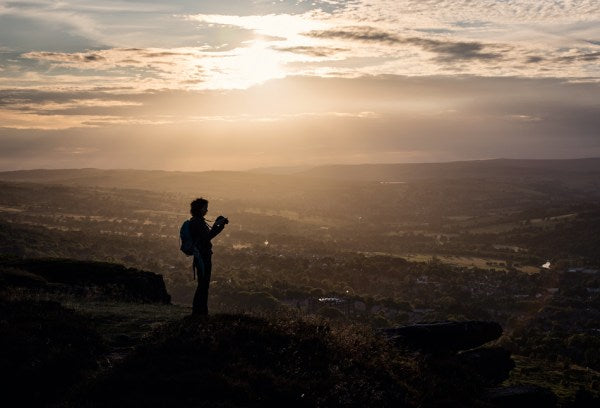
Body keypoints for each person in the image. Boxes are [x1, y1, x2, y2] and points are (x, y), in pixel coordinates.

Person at [188, 197, 228, 315]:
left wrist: (219, 225)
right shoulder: (198, 222)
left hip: (201, 256)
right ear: (200, 209)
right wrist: (218, 225)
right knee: (203, 285)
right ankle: (199, 312)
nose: (207, 210)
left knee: (203, 284)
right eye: (205, 208)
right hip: (203, 256)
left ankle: (200, 311)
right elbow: (207, 238)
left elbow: (208, 235)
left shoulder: (196, 221)